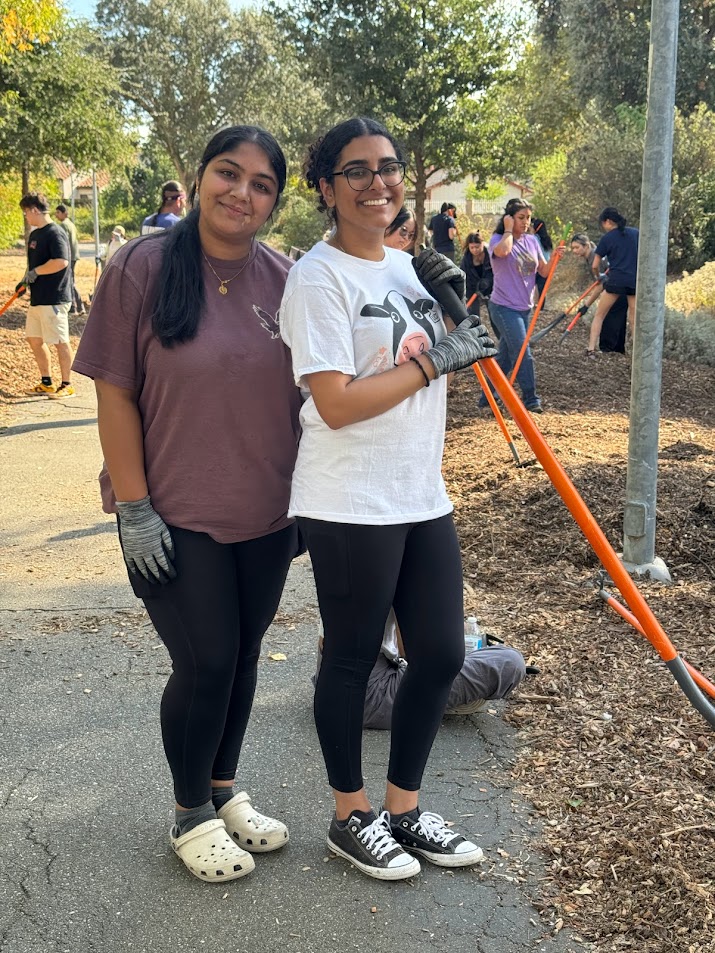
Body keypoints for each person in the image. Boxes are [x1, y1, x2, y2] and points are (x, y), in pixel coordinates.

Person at [73, 126, 302, 884]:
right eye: (227, 174)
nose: (241, 192)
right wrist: (133, 506)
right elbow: (114, 392)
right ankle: (188, 813)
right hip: (172, 512)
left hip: (268, 513)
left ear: (275, 200)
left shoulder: (285, 278)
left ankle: (223, 789)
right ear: (198, 178)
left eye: (261, 183)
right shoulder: (141, 266)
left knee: (240, 657)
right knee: (204, 660)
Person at [280, 116, 497, 881]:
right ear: (325, 188)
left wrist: (459, 303)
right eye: (357, 171)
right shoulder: (316, 277)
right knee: (348, 657)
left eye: (388, 167)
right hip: (346, 496)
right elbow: (335, 402)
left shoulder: (407, 268)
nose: (378, 182)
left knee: (437, 651)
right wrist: (438, 360)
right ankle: (350, 815)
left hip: (418, 489)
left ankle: (404, 810)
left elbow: (462, 344)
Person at [314, 609, 526, 729]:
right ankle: (437, 703)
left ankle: (435, 700)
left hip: (331, 685)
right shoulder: (395, 560)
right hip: (371, 696)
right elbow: (413, 650)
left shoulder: (344, 542)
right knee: (509, 661)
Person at [479, 198, 563, 415]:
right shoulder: (498, 239)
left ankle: (486, 396)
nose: (526, 222)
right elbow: (503, 253)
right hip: (503, 307)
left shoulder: (532, 241)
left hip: (525, 307)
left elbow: (543, 272)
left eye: (528, 218)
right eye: (520, 218)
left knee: (506, 357)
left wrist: (555, 258)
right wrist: (508, 230)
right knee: (523, 353)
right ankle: (531, 399)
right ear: (509, 218)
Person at [17, 192, 75, 399]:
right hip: (37, 298)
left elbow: (61, 262)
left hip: (55, 297)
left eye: (26, 212)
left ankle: (67, 384)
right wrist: (25, 280)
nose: (26, 217)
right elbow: (34, 265)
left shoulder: (55, 233)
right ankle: (46, 382)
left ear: (34, 210)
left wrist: (36, 272)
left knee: (60, 341)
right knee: (34, 339)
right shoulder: (35, 234)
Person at [586, 207, 639, 358]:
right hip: (633, 281)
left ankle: (591, 349)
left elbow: (595, 265)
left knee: (599, 315)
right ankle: (637, 354)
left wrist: (599, 276)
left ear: (608, 222)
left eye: (603, 224)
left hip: (615, 281)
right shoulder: (635, 233)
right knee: (634, 320)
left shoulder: (607, 238)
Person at [570, 233, 626, 354]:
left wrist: (586, 305)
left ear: (586, 246)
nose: (574, 251)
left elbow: (600, 285)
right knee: (617, 319)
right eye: (573, 248)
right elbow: (599, 284)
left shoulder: (596, 257)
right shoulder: (590, 257)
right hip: (616, 287)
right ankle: (617, 351)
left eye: (577, 247)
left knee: (609, 318)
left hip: (617, 288)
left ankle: (608, 350)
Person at [55, 203, 85, 315]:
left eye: (58, 212)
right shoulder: (71, 224)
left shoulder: (63, 226)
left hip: (68, 256)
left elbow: (63, 243)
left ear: (64, 213)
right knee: (71, 281)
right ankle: (79, 306)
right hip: (73, 256)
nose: (56, 215)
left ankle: (74, 307)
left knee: (69, 282)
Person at [460, 232, 493, 320]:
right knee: (473, 315)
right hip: (472, 288)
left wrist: (488, 281)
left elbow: (496, 272)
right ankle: (476, 332)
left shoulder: (490, 255)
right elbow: (463, 278)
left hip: (491, 287)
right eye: (472, 247)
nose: (475, 250)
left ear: (482, 244)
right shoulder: (466, 260)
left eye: (477, 247)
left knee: (494, 313)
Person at [531, 215, 553, 308]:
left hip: (537, 265)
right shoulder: (547, 239)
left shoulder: (534, 238)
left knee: (532, 286)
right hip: (547, 266)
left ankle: (534, 305)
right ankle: (541, 307)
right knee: (542, 289)